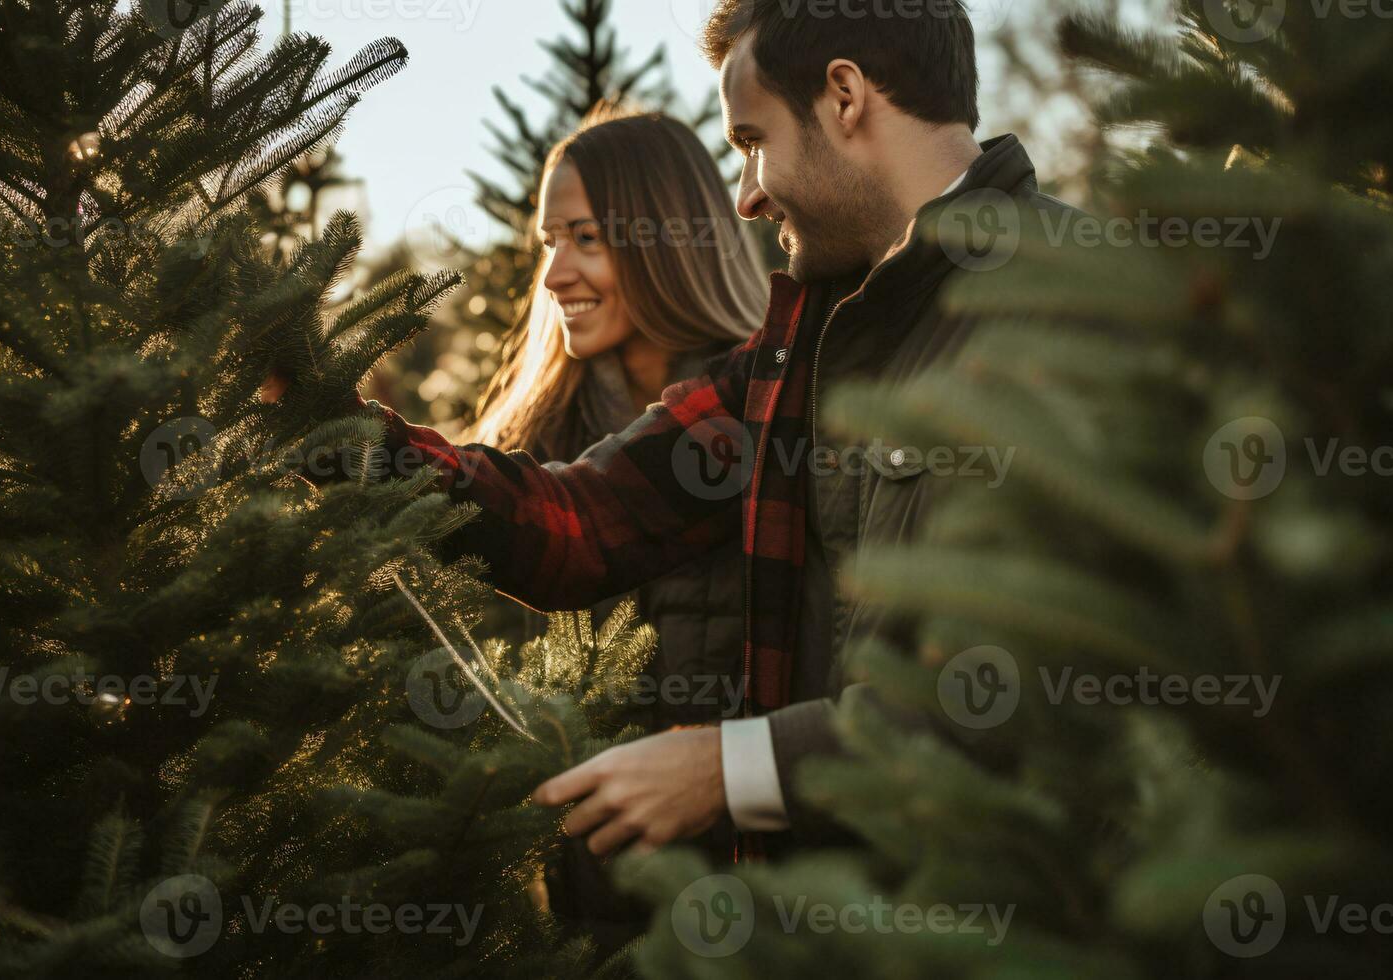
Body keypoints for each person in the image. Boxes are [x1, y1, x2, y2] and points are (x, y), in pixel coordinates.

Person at [364, 0, 1080, 860]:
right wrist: (348, 442)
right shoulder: (796, 354)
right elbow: (580, 524)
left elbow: (1011, 702)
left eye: (751, 141)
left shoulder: (1066, 308)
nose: (743, 194)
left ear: (844, 96)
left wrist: (727, 770)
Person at [458, 107, 766, 946]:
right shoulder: (526, 456)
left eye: (586, 237)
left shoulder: (762, 422)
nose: (554, 273)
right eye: (547, 241)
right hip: (578, 915)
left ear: (667, 240)